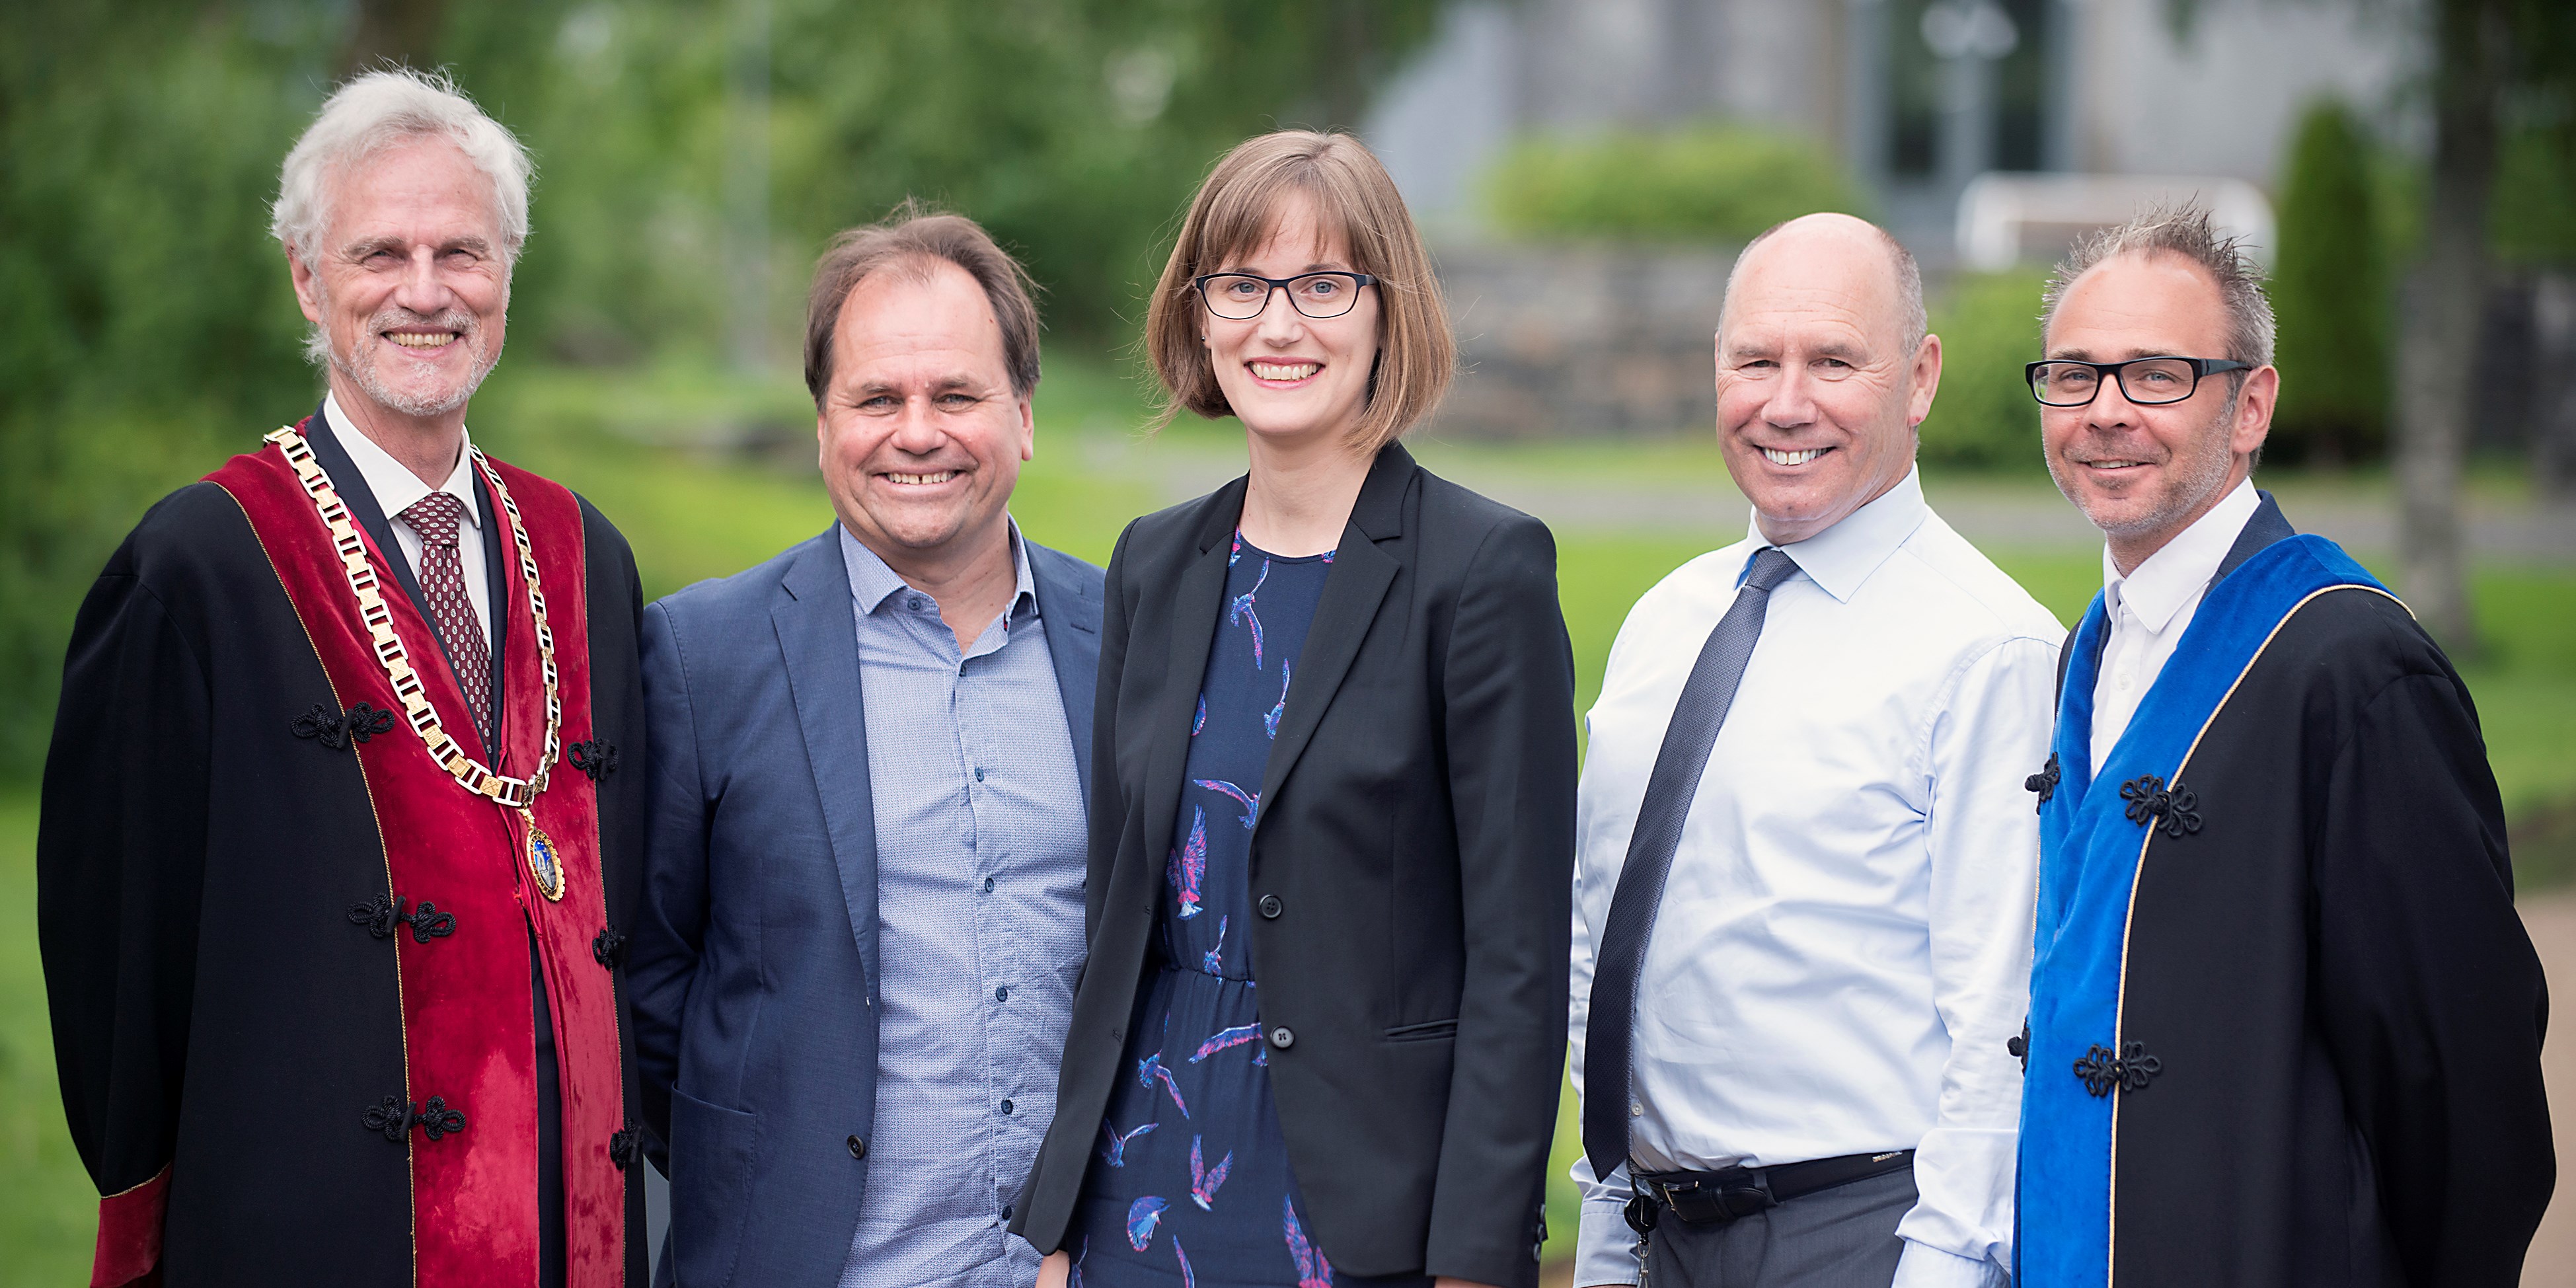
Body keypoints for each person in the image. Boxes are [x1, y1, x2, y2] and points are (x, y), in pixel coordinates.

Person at [37, 69, 650, 1287]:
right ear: (308, 280)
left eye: (462, 253)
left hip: (573, 1230)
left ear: (509, 276)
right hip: (308, 1225)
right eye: (381, 253)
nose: (426, 292)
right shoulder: (196, 565)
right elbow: (116, 962)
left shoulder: (586, 555)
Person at [1011, 130, 1578, 1288]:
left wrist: (1475, 1261)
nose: (1278, 325)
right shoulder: (1154, 563)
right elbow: (1117, 916)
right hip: (1144, 1174)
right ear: (1198, 311)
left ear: (1386, 311)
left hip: (1363, 1207)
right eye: (1242, 285)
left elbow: (1519, 962)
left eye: (1323, 285)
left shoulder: (1482, 569)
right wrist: (1065, 1221)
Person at [2014, 204, 2552, 1287]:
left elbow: (2458, 1084)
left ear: (2249, 404)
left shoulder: (2350, 666)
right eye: (2073, 375)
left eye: (2157, 375)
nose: (2105, 412)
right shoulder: (2082, 651)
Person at [1568, 213, 2061, 1288]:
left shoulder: (1989, 649)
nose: (1784, 402)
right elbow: (1603, 933)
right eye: (1754, 359)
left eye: (1833, 360)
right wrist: (1610, 1215)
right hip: (1656, 1231)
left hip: (1859, 1237)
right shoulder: (1666, 620)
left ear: (1919, 377)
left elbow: (2001, 1024)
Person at [627, 206, 1103, 1287]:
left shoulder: (1129, 641)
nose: (917, 431)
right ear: (822, 425)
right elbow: (649, 985)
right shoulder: (702, 657)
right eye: (877, 397)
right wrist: (765, 1168)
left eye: (957, 395)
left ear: (1023, 417)